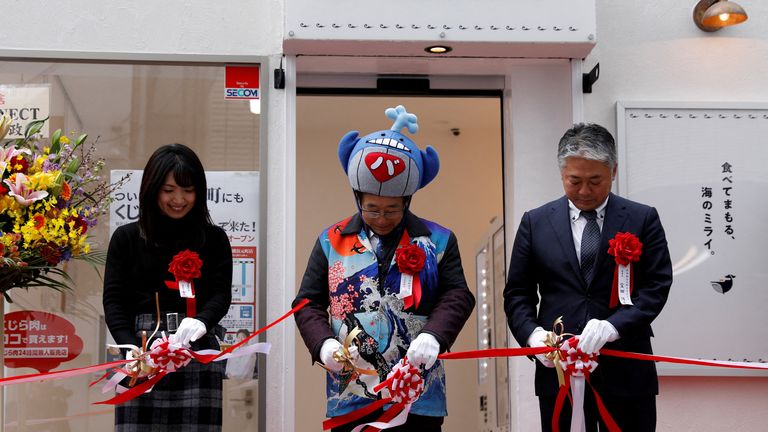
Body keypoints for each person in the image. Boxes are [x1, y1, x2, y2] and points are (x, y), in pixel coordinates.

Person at [293, 106, 475, 432]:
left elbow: (458, 295)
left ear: (407, 201)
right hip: (350, 391)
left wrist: (435, 335)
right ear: (357, 198)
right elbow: (306, 302)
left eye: (392, 209)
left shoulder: (438, 239)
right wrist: (323, 344)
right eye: (371, 208)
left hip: (417, 391)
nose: (381, 218)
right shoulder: (331, 240)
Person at [503, 123, 673, 431]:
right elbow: (517, 294)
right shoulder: (535, 222)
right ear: (561, 173)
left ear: (614, 171)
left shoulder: (641, 218)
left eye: (595, 181)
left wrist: (613, 326)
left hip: (627, 369)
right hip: (559, 370)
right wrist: (534, 337)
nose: (584, 191)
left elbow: (657, 285)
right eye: (575, 180)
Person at [103, 143, 232, 432]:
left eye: (188, 190)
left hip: (195, 348)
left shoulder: (213, 239)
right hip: (141, 350)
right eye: (169, 190)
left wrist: (202, 321)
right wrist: (130, 346)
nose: (179, 199)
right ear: (152, 189)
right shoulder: (127, 238)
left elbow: (221, 293)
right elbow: (113, 300)